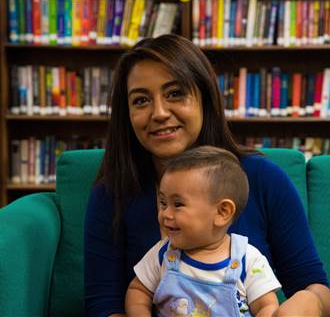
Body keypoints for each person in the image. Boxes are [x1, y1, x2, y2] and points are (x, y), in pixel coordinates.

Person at [84, 34, 330, 317]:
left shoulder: (264, 179)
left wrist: (310, 303)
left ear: (205, 97)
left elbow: (316, 287)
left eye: (175, 93)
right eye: (141, 100)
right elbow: (103, 305)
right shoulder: (112, 193)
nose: (159, 112)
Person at [125, 145, 281, 317]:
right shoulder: (163, 254)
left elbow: (267, 306)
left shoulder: (248, 260)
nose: (165, 214)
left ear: (223, 212)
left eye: (177, 204)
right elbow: (138, 291)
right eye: (163, 203)